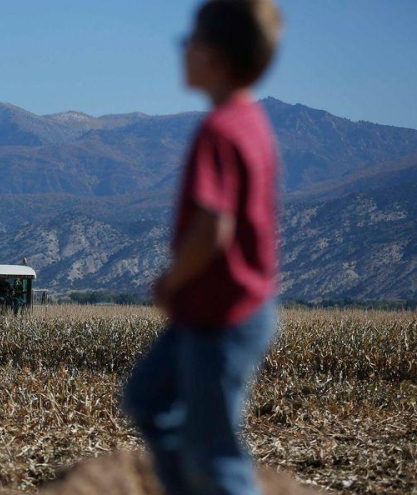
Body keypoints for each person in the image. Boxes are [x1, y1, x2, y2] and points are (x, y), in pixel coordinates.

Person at [122, 1, 283, 494]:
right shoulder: (252, 123)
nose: (182, 50)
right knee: (148, 397)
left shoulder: (220, 131)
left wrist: (172, 280)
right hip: (218, 313)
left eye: (187, 41)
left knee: (217, 457)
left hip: (221, 317)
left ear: (212, 55)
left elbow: (214, 227)